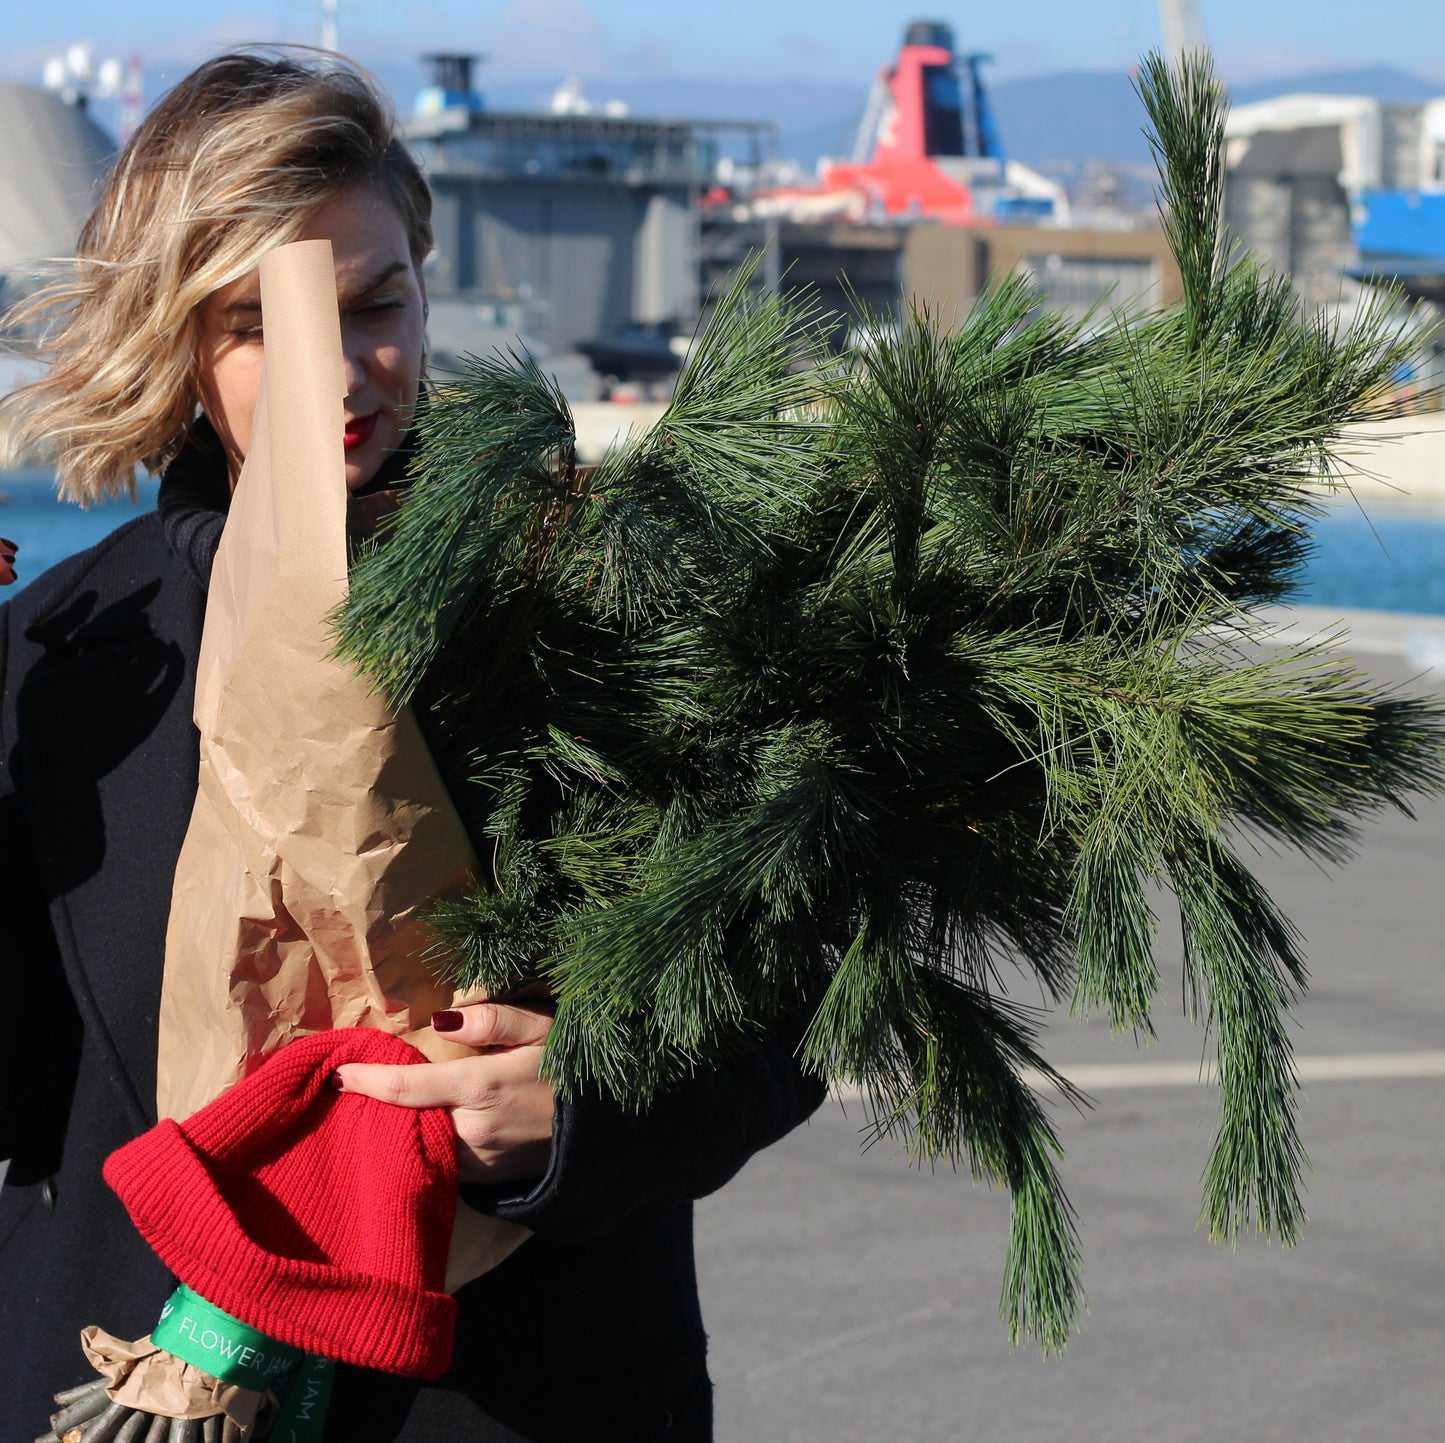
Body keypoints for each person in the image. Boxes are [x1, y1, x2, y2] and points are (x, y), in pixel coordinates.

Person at [0, 51, 826, 1442]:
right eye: (260, 324)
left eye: (373, 303)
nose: (341, 370)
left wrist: (587, 1111)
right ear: (177, 342)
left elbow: (792, 1000)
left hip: (518, 1393)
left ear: (428, 284)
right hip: (125, 1386)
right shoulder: (52, 654)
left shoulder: (618, 609)